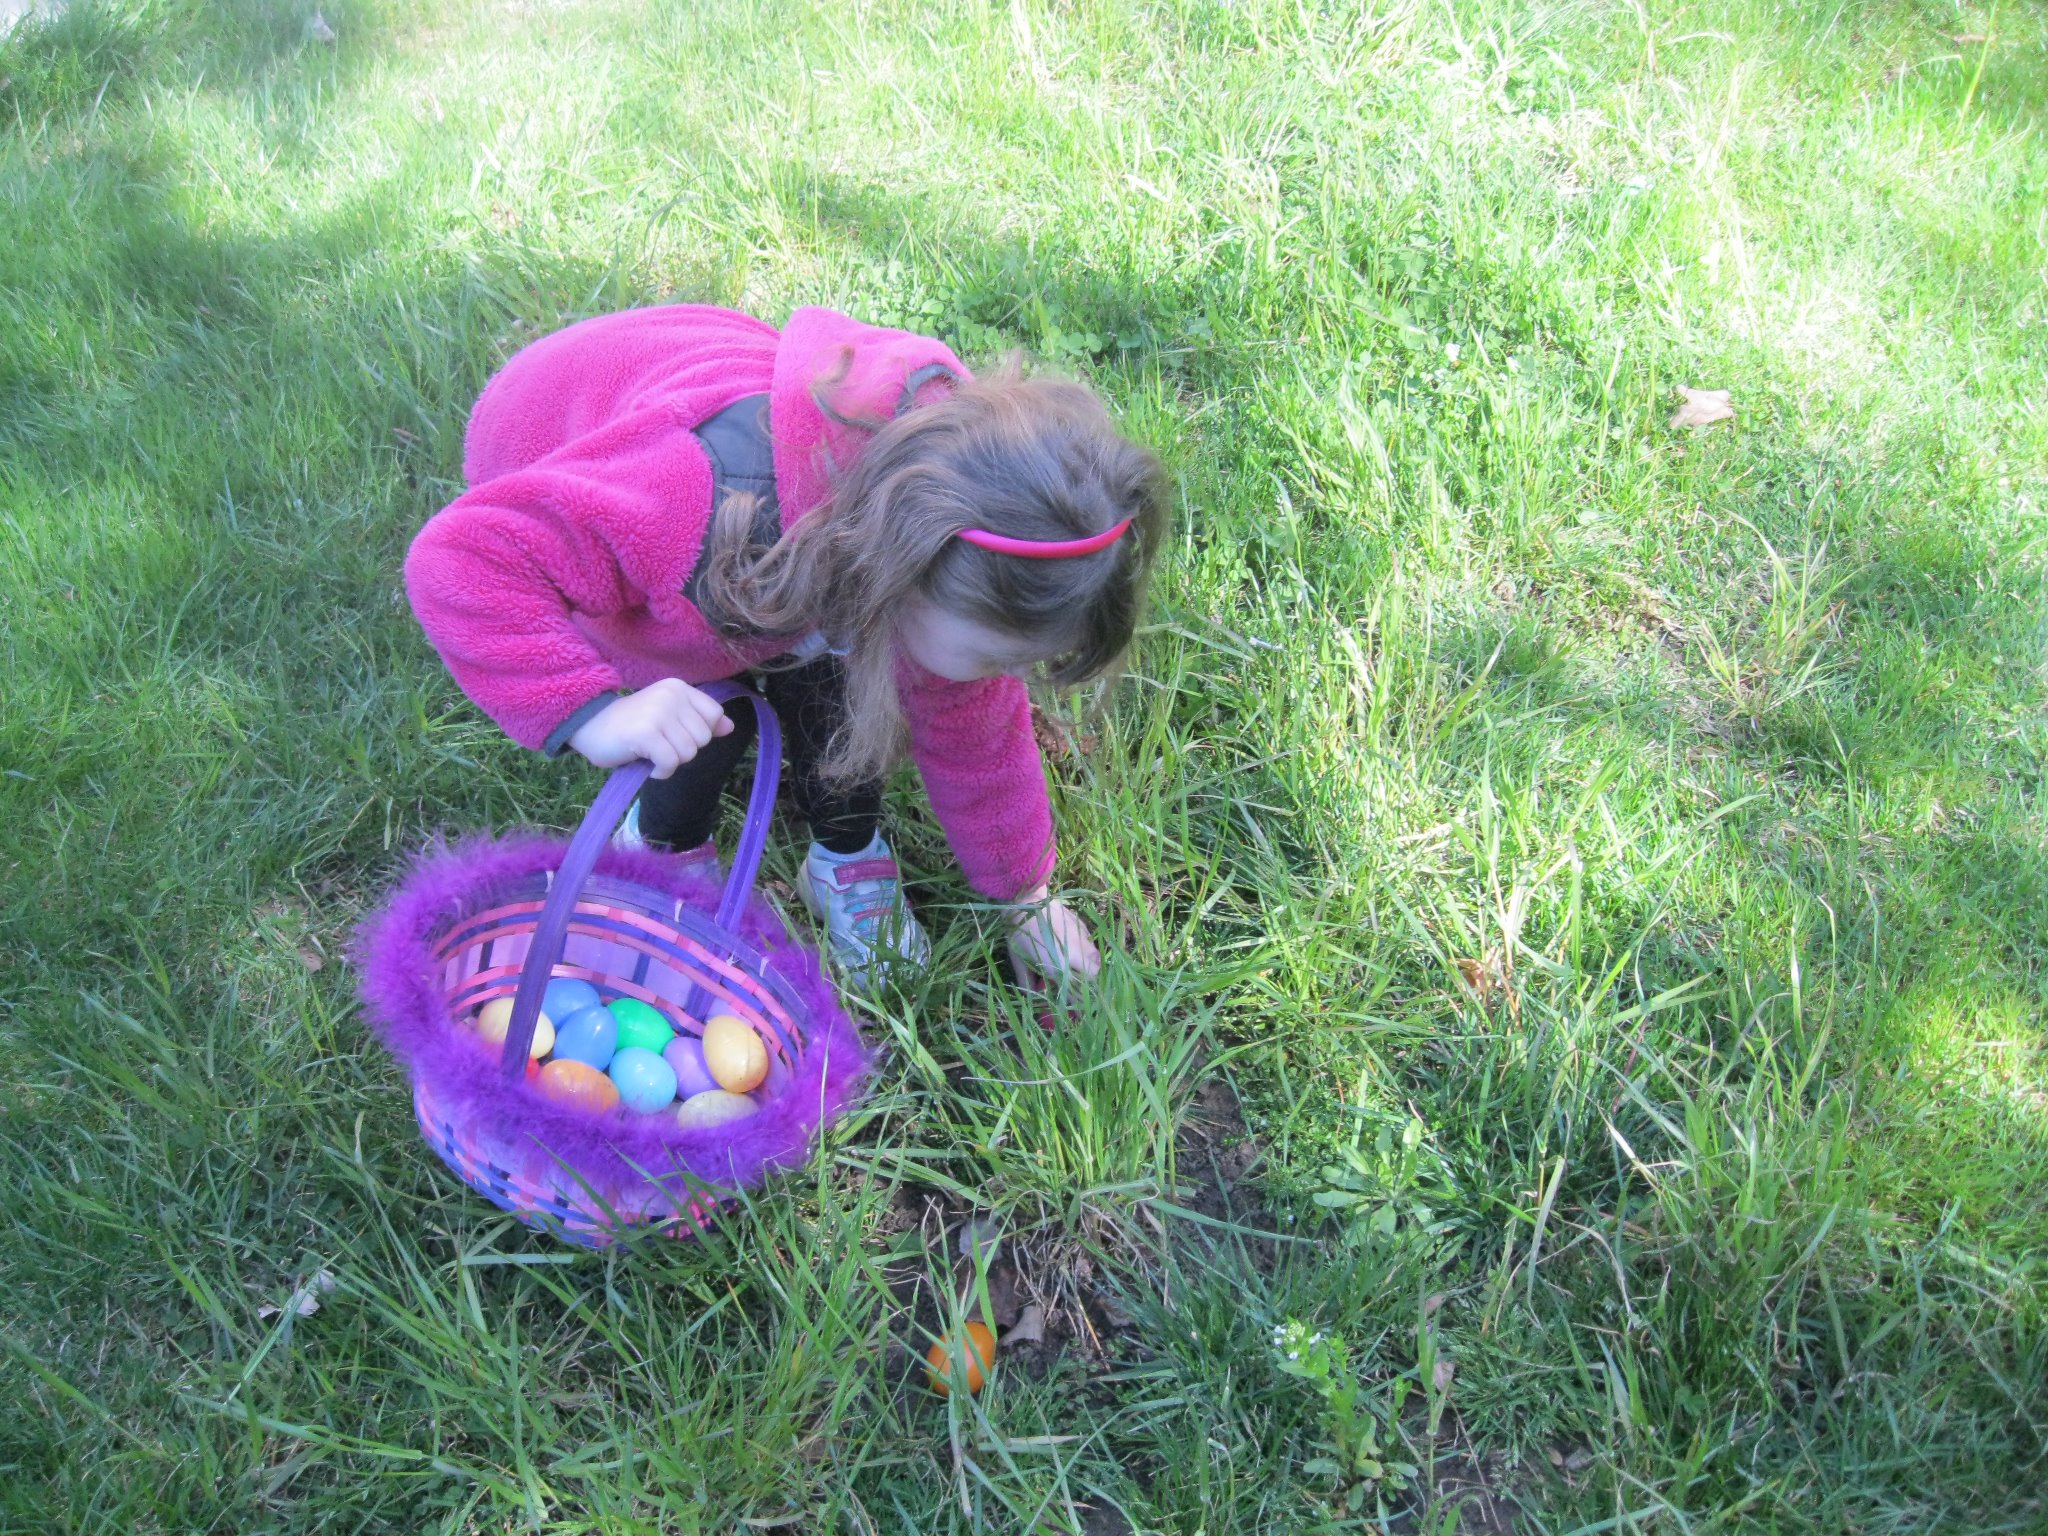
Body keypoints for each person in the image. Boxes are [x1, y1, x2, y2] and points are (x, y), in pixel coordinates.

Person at [405, 304, 1166, 991]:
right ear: (913, 572)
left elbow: (976, 730)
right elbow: (465, 559)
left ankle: (844, 850)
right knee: (691, 696)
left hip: (774, 526)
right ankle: (664, 845)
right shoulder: (686, 504)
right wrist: (597, 712)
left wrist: (1025, 895)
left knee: (857, 675)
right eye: (1004, 659)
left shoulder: (956, 553)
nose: (1010, 681)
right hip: (563, 436)